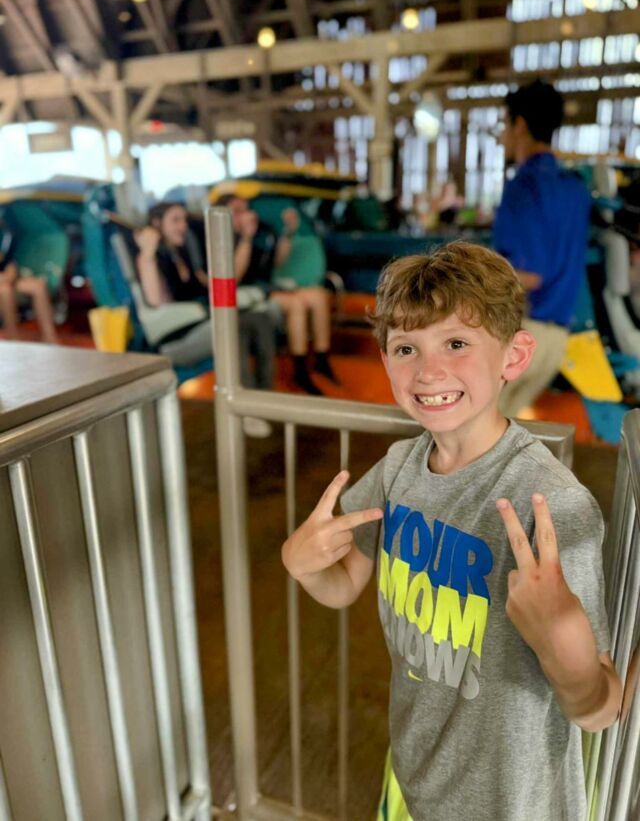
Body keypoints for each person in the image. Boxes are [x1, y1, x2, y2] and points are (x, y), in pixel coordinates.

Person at [282, 243, 621, 821]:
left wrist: (564, 646)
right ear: (386, 360)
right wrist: (304, 564)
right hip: (412, 774)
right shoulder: (397, 468)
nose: (428, 371)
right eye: (406, 348)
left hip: (511, 805)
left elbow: (599, 709)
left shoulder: (554, 506)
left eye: (457, 344)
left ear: (514, 356)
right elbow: (342, 586)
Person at [493, 78, 591, 417]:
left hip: (522, 332)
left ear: (520, 125)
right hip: (556, 340)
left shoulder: (524, 185)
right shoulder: (575, 188)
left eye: (505, 125)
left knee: (468, 433)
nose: (502, 136)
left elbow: (528, 275)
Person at [135, 201, 276, 438]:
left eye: (183, 220)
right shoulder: (150, 258)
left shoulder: (184, 254)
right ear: (157, 225)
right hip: (175, 337)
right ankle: (246, 409)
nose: (183, 226)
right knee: (232, 328)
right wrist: (148, 251)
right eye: (175, 220)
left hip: (200, 323)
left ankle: (264, 399)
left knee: (260, 318)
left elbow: (211, 286)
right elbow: (156, 301)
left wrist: (245, 242)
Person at [218, 194, 337, 396]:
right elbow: (234, 278)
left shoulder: (263, 231)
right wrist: (246, 238)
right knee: (296, 304)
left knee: (319, 296)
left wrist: (288, 232)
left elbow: (277, 261)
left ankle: (321, 358)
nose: (246, 214)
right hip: (248, 293)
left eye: (246, 209)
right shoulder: (224, 238)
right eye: (237, 211)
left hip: (267, 287)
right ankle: (300, 370)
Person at [0, 217, 59, 343]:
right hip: (3, 284)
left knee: (38, 286)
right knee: (5, 289)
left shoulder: (6, 235)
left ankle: (50, 337)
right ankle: (13, 337)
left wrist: (10, 273)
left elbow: (10, 263)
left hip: (7, 277)